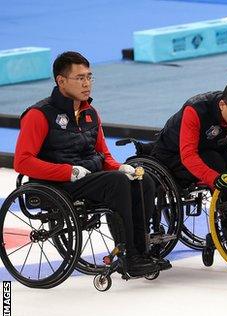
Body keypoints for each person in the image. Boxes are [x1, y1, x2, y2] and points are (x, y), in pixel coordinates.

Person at [14, 51, 165, 276]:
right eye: (80, 78)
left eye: (89, 77)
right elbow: (22, 162)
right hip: (58, 184)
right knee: (116, 182)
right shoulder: (38, 115)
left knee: (145, 180)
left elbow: (104, 155)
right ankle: (129, 255)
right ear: (61, 81)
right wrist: (66, 171)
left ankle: (143, 250)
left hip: (88, 178)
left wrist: (121, 167)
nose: (87, 84)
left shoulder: (90, 112)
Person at [151, 78, 227, 190]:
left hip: (212, 148)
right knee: (215, 160)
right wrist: (213, 178)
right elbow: (188, 156)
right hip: (174, 155)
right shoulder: (195, 111)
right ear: (222, 105)